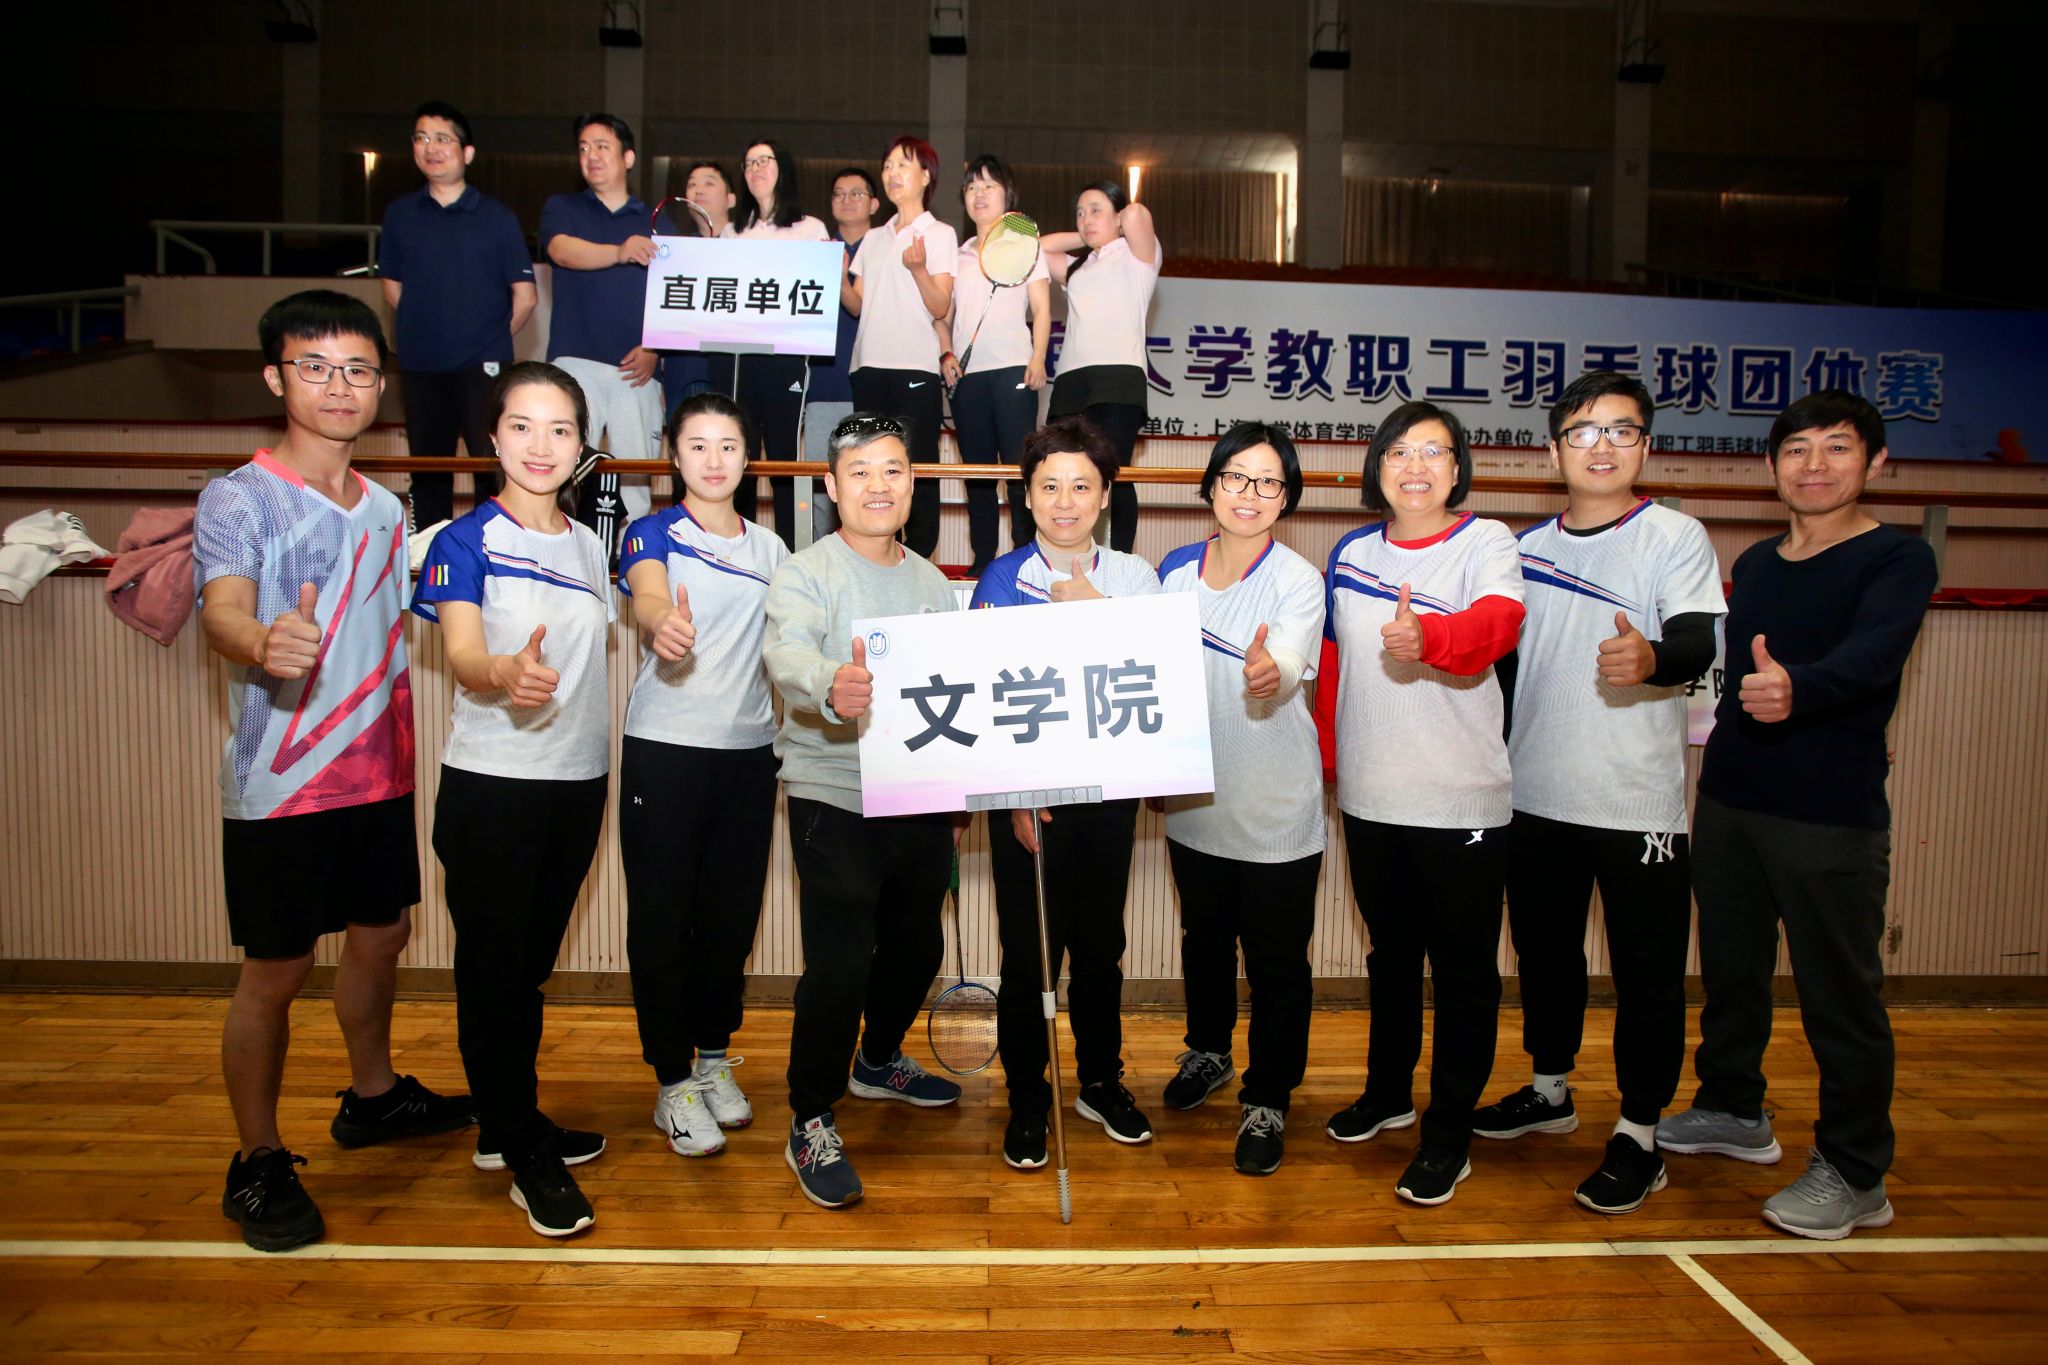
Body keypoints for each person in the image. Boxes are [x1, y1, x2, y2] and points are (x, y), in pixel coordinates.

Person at [194, 289, 471, 1252]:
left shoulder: (388, 509)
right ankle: (258, 1157)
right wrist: (259, 639)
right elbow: (221, 608)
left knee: (382, 933)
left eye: (357, 369)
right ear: (277, 379)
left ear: (380, 385)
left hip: (378, 769)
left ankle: (373, 1094)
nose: (339, 386)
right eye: (314, 367)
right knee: (276, 968)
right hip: (283, 778)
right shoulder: (240, 496)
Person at [1657, 390, 1937, 1241]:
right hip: (1732, 798)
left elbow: (1874, 655)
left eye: (1837, 447)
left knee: (1838, 993)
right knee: (1732, 970)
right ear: (1773, 466)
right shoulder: (1759, 563)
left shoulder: (1898, 558)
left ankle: (1856, 1170)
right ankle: (1734, 1106)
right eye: (1797, 449)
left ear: (1876, 461)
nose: (1814, 466)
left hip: (1829, 811)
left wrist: (1801, 687)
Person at [1471, 371, 1725, 1216]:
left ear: (1645, 445)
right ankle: (1550, 1089)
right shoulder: (1523, 550)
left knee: (1647, 973)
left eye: (1622, 430)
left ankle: (1641, 1133)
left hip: (1634, 803)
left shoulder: (1674, 536)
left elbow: (1696, 640)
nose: (1603, 446)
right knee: (1545, 955)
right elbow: (1502, 668)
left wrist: (1653, 658)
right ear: (1555, 451)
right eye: (1584, 431)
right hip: (1534, 793)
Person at [412, 362, 616, 1238]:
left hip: (578, 784)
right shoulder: (461, 541)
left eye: (560, 429)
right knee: (494, 973)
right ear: (493, 437)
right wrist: (502, 670)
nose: (542, 445)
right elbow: (464, 655)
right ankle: (524, 1149)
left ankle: (508, 1121)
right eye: (523, 426)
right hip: (493, 787)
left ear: (581, 444)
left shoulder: (591, 546)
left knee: (526, 968)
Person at [1314, 401, 1525, 1207]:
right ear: (1378, 466)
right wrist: (1330, 766)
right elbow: (1333, 668)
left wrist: (1430, 639)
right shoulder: (1351, 552)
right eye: (1399, 451)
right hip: (1371, 796)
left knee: (1464, 972)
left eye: (1433, 452)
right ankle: (1388, 1093)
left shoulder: (1486, 540)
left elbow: (1499, 624)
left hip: (1459, 798)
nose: (1415, 466)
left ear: (1457, 468)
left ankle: (1449, 1132)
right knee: (1391, 956)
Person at [763, 413, 962, 1208]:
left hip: (917, 792)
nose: (878, 485)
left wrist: (961, 786)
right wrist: (828, 683)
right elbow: (786, 653)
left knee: (917, 948)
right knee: (841, 965)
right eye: (860, 471)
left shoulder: (933, 584)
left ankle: (877, 1060)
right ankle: (810, 1114)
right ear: (831, 485)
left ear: (913, 483)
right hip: (832, 790)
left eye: (893, 470)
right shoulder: (805, 573)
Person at [971, 416, 1159, 1169]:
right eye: (1049, 486)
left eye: (1082, 486)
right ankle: (1027, 1096)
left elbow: (1159, 674)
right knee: (1030, 956)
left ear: (1106, 496)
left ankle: (1101, 1081)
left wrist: (1097, 612)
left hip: (1109, 796)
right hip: (1029, 802)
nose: (1065, 501)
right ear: (1027, 496)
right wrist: (1016, 794)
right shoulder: (1000, 579)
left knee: (1101, 948)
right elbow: (985, 699)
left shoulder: (1136, 578)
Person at [616, 392, 789, 1160]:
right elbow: (650, 594)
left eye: (728, 445)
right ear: (674, 454)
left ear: (748, 457)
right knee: (662, 920)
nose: (713, 460)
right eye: (697, 445)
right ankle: (671, 1080)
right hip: (666, 749)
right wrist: (664, 623)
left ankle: (713, 1058)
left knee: (729, 918)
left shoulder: (773, 550)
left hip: (749, 754)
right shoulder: (651, 532)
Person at [1156, 422, 1325, 1177]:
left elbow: (1285, 662)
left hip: (1276, 807)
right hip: (1196, 803)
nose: (1249, 493)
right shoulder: (1172, 572)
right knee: (1204, 941)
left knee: (1277, 961)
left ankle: (1269, 1095)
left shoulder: (1297, 579)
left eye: (1268, 482)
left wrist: (1270, 673)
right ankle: (1209, 1051)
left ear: (1286, 497)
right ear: (1211, 485)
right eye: (1236, 476)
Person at [378, 100, 536, 531]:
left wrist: (487, 338)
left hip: (482, 364)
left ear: (467, 152)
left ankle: (493, 546)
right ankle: (430, 550)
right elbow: (392, 288)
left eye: (442, 139)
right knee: (428, 467)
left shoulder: (497, 217)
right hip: (420, 363)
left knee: (490, 464)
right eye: (421, 138)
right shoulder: (400, 214)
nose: (431, 147)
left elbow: (525, 297)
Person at [539, 112, 661, 541]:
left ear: (628, 157)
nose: (591, 155)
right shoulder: (563, 208)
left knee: (636, 480)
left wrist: (655, 347)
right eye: (584, 148)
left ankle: (634, 566)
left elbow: (674, 294)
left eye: (602, 146)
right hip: (575, 361)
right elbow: (561, 251)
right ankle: (564, 557)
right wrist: (620, 251)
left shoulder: (656, 221)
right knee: (564, 470)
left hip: (636, 369)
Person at [843, 137, 956, 558]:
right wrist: (837, 277)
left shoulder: (939, 233)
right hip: (867, 366)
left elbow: (941, 306)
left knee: (916, 465)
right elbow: (857, 304)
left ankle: (921, 555)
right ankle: (872, 550)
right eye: (888, 166)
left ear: (925, 176)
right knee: (868, 464)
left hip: (914, 366)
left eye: (902, 165)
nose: (892, 173)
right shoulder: (873, 237)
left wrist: (919, 269)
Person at [942, 155, 1051, 575]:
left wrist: (1037, 357)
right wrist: (946, 353)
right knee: (978, 475)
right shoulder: (957, 254)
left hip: (1014, 371)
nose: (979, 194)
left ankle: (1026, 556)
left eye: (988, 186)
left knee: (1021, 472)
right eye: (971, 187)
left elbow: (1042, 309)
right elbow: (942, 315)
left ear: (1008, 194)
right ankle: (983, 560)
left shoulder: (1026, 245)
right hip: (968, 378)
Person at [1040, 180, 1160, 554]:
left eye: (1096, 210)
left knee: (1114, 472)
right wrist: (1087, 235)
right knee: (1061, 470)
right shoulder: (1076, 267)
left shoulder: (1138, 257)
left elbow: (1137, 213)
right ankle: (1066, 553)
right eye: (1079, 213)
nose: (1086, 218)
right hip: (1071, 380)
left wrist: (1112, 226)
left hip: (1118, 376)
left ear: (1118, 216)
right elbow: (1036, 248)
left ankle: (1121, 559)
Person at [728, 140, 834, 549]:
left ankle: (792, 550)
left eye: (764, 161)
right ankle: (738, 548)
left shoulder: (810, 229)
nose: (755, 168)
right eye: (748, 162)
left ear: (782, 169)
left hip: (787, 360)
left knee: (784, 458)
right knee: (740, 454)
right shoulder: (731, 233)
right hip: (740, 359)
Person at [804, 167, 880, 541]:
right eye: (838, 194)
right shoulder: (816, 250)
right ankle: (821, 560)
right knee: (822, 487)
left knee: (874, 484)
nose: (846, 200)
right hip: (824, 384)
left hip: (873, 386)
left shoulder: (885, 250)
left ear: (874, 204)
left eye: (856, 193)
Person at [658, 161, 739, 433]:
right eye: (691, 184)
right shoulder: (675, 252)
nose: (698, 190)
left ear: (731, 199)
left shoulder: (749, 248)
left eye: (708, 183)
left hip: (734, 378)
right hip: (682, 375)